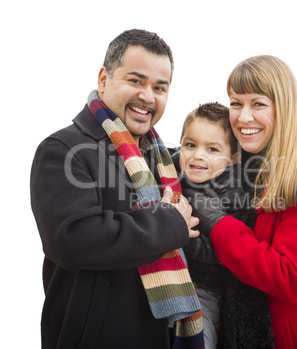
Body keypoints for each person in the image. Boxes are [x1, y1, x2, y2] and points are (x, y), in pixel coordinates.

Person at [30, 29, 204, 349]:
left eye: (159, 87)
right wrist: (170, 223)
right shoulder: (63, 150)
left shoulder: (167, 160)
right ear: (103, 79)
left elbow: (226, 173)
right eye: (136, 81)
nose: (148, 97)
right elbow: (72, 239)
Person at [188, 55, 297, 348]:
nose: (243, 116)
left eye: (258, 104)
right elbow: (192, 154)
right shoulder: (251, 165)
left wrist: (217, 222)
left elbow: (290, 278)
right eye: (235, 103)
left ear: (284, 107)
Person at [173, 102, 243, 348]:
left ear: (233, 159)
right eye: (190, 145)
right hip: (172, 281)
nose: (198, 155)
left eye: (212, 149)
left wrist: (181, 238)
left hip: (205, 290)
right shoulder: (172, 170)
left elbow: (223, 252)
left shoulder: (232, 191)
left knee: (198, 339)